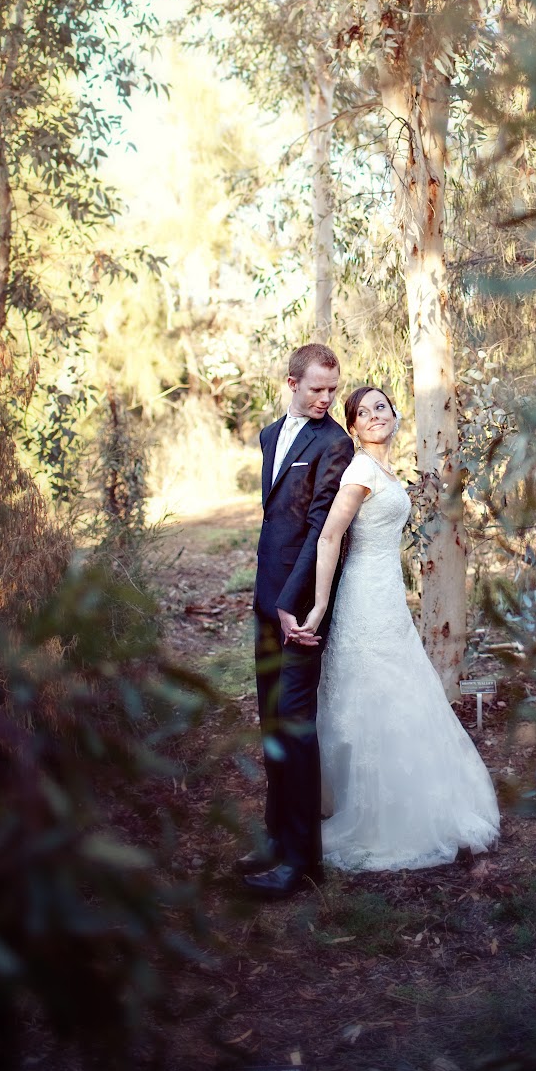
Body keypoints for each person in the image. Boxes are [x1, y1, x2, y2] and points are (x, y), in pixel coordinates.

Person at [291, 385, 500, 871]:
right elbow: (329, 534)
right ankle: (372, 815)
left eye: (380, 407)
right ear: (354, 427)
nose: (374, 416)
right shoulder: (362, 469)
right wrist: (320, 605)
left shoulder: (383, 469)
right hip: (364, 599)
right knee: (373, 694)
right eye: (362, 413)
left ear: (394, 413)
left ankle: (409, 798)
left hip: (387, 594)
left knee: (399, 691)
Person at [239, 342, 355, 900]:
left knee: (296, 727)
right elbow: (274, 526)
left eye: (332, 389)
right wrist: (267, 600)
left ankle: (302, 862)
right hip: (266, 602)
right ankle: (275, 841)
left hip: (301, 609)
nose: (326, 399)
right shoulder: (268, 436)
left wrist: (291, 604)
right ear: (291, 383)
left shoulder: (335, 444)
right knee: (270, 724)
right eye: (316, 389)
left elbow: (318, 531)